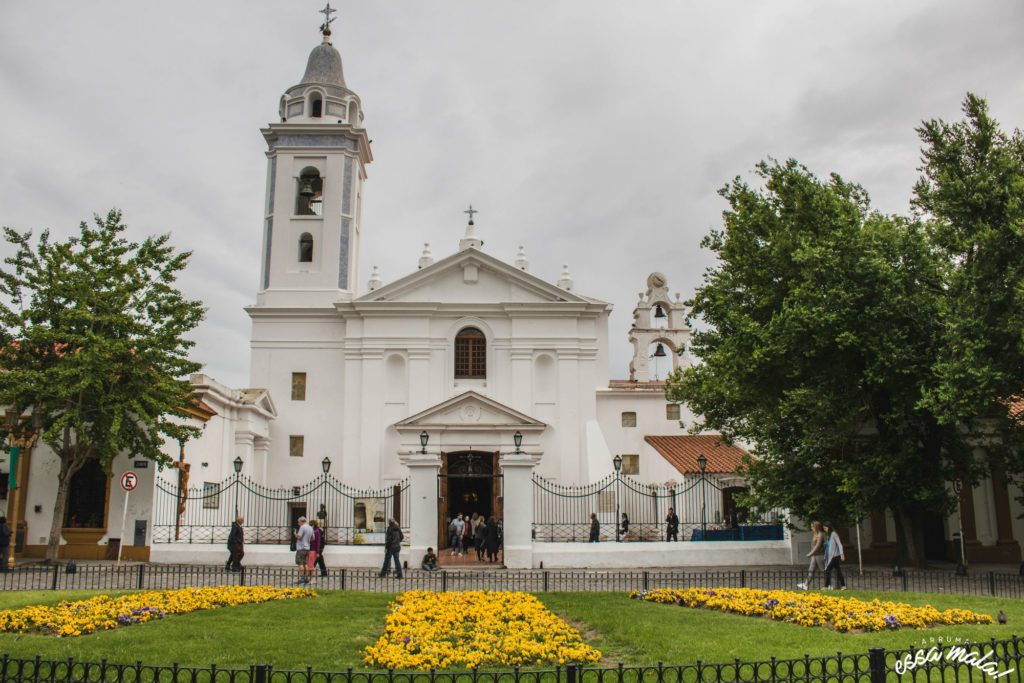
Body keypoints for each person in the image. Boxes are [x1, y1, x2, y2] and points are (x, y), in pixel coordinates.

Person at [797, 521, 826, 590]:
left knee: (823, 570)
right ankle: (806, 584)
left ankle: (827, 585)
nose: (811, 528)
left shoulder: (820, 535)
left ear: (816, 527)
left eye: (812, 527)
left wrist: (810, 553)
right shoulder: (815, 535)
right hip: (815, 556)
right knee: (811, 570)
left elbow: (817, 546)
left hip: (819, 555)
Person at [822, 521, 847, 590]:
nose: (825, 530)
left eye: (825, 528)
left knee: (828, 570)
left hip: (834, 556)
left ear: (829, 528)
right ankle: (843, 585)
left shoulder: (833, 534)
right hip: (832, 556)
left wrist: (842, 555)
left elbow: (839, 544)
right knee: (838, 571)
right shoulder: (829, 535)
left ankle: (826, 586)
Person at [293, 516, 313, 584]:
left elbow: (299, 537)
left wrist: (295, 534)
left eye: (299, 522)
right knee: (305, 563)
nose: (298, 524)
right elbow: (313, 538)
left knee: (300, 563)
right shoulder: (310, 527)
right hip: (307, 547)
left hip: (301, 547)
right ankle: (306, 578)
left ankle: (301, 578)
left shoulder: (302, 527)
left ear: (301, 521)